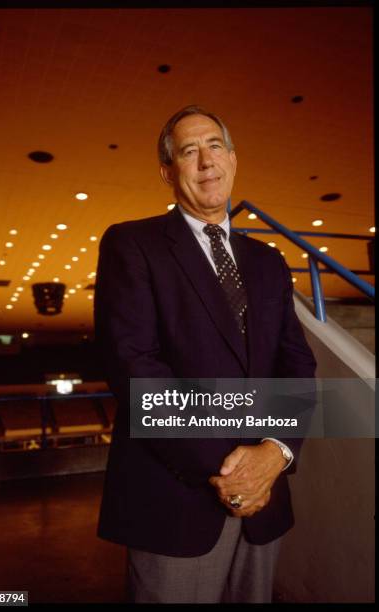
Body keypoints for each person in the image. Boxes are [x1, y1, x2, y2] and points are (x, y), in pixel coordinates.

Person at [94, 105, 316, 603]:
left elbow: (297, 366)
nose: (205, 161)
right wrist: (232, 471)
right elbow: (136, 369)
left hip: (265, 503)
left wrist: (275, 453)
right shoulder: (132, 244)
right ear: (167, 171)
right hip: (175, 499)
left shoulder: (269, 262)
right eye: (188, 151)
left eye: (215, 146)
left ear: (233, 159)